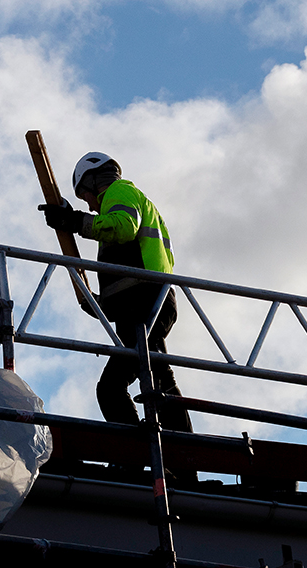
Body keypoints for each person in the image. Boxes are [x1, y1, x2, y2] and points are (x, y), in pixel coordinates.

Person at [39, 152, 192, 434]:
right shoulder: (122, 204)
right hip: (141, 306)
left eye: (86, 197)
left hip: (146, 306)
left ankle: (160, 459)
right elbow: (126, 276)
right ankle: (170, 462)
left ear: (96, 182)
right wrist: (100, 305)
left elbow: (122, 228)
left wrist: (74, 222)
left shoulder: (119, 192)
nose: (91, 206)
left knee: (128, 386)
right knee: (150, 383)